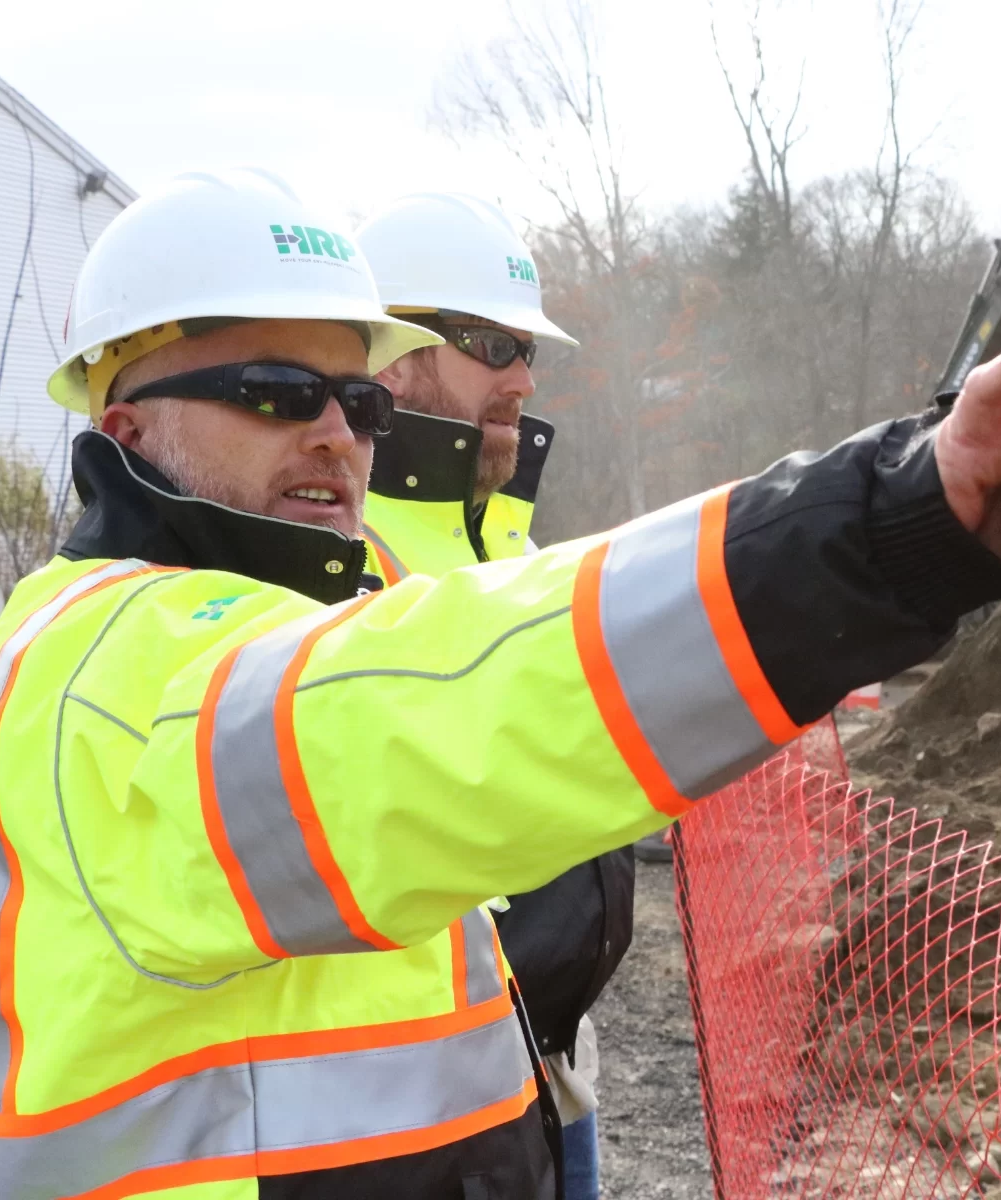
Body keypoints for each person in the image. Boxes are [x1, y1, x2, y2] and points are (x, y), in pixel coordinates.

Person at [0, 168, 1001, 1200]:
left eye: (352, 396)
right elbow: (437, 718)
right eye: (274, 392)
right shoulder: (111, 675)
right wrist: (884, 526)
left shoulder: (301, 610)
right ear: (123, 428)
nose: (337, 433)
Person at [356, 192, 615, 1198]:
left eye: (526, 348)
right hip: (418, 1118)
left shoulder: (508, 547)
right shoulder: (338, 570)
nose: (524, 376)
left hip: (547, 1079)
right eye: (490, 344)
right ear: (393, 358)